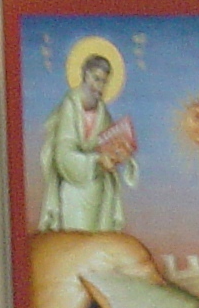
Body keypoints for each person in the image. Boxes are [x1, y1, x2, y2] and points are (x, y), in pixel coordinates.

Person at [36, 50, 136, 233]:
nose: (99, 86)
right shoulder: (70, 107)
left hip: (100, 195)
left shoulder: (103, 113)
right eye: (96, 79)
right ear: (85, 75)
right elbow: (63, 155)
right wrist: (96, 160)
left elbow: (109, 144)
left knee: (98, 245)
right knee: (75, 242)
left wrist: (122, 154)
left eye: (104, 81)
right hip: (74, 191)